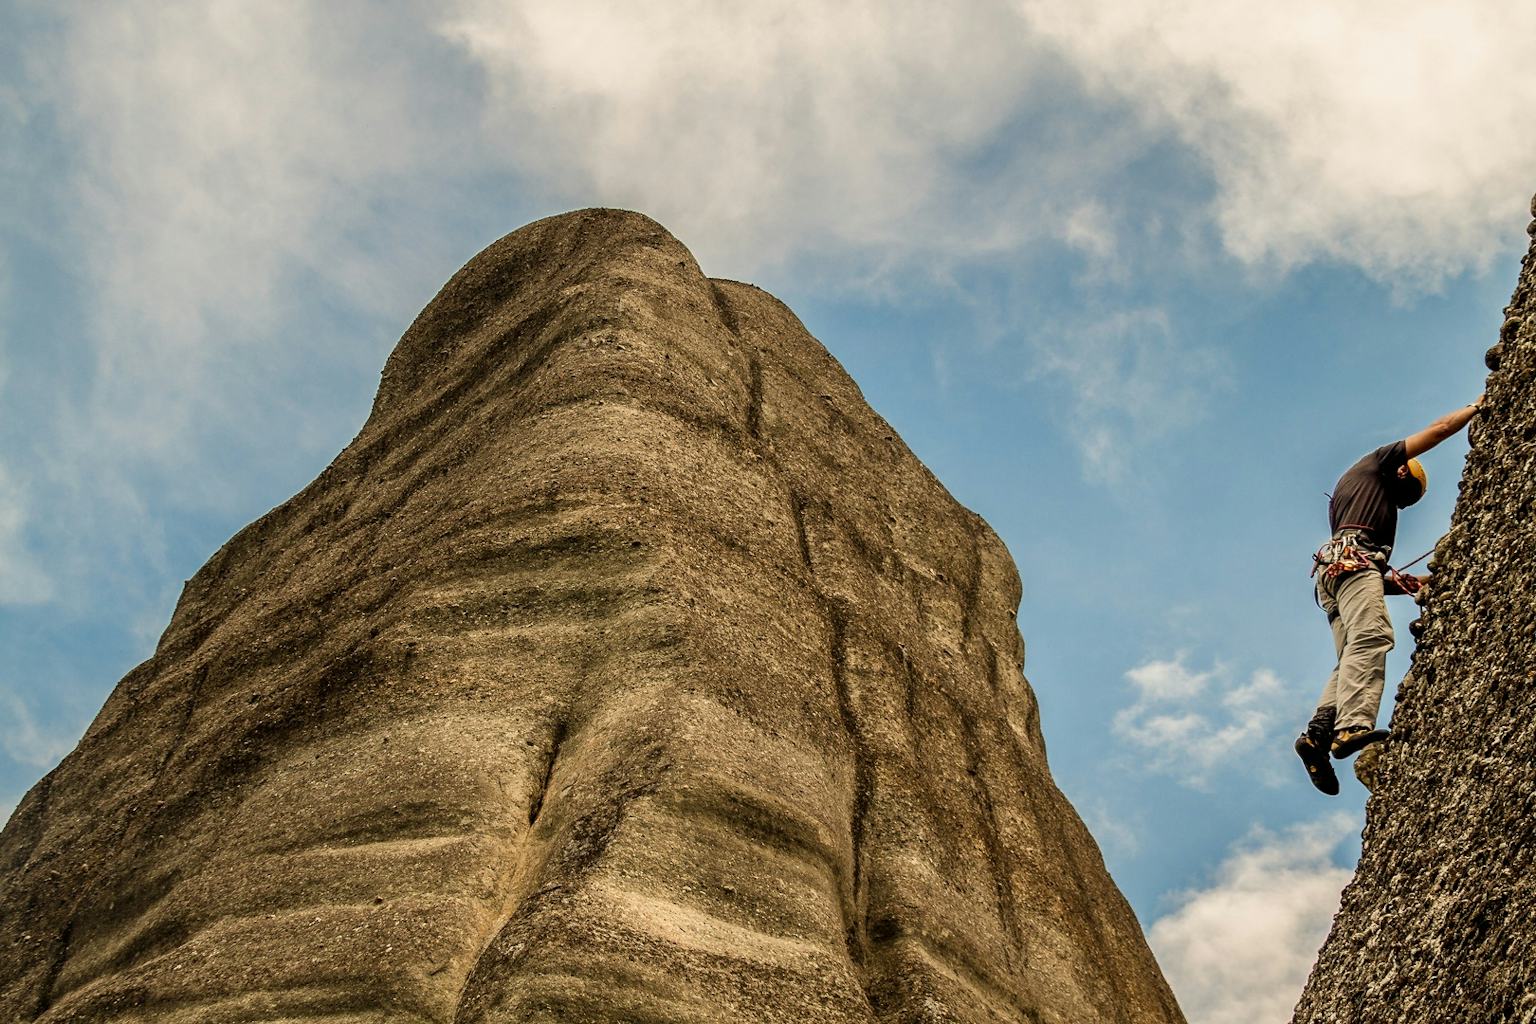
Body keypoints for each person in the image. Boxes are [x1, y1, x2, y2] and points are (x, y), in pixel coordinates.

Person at [1295, 396, 1483, 795]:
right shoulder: (1379, 462)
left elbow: (1367, 580)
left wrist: (1415, 584)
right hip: (1354, 563)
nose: (1401, 503)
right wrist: (1476, 407)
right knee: (1373, 638)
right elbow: (1440, 429)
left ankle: (1318, 734)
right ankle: (1352, 727)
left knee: (1350, 657)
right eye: (1406, 493)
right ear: (1403, 473)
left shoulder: (1351, 493)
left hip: (1333, 573)